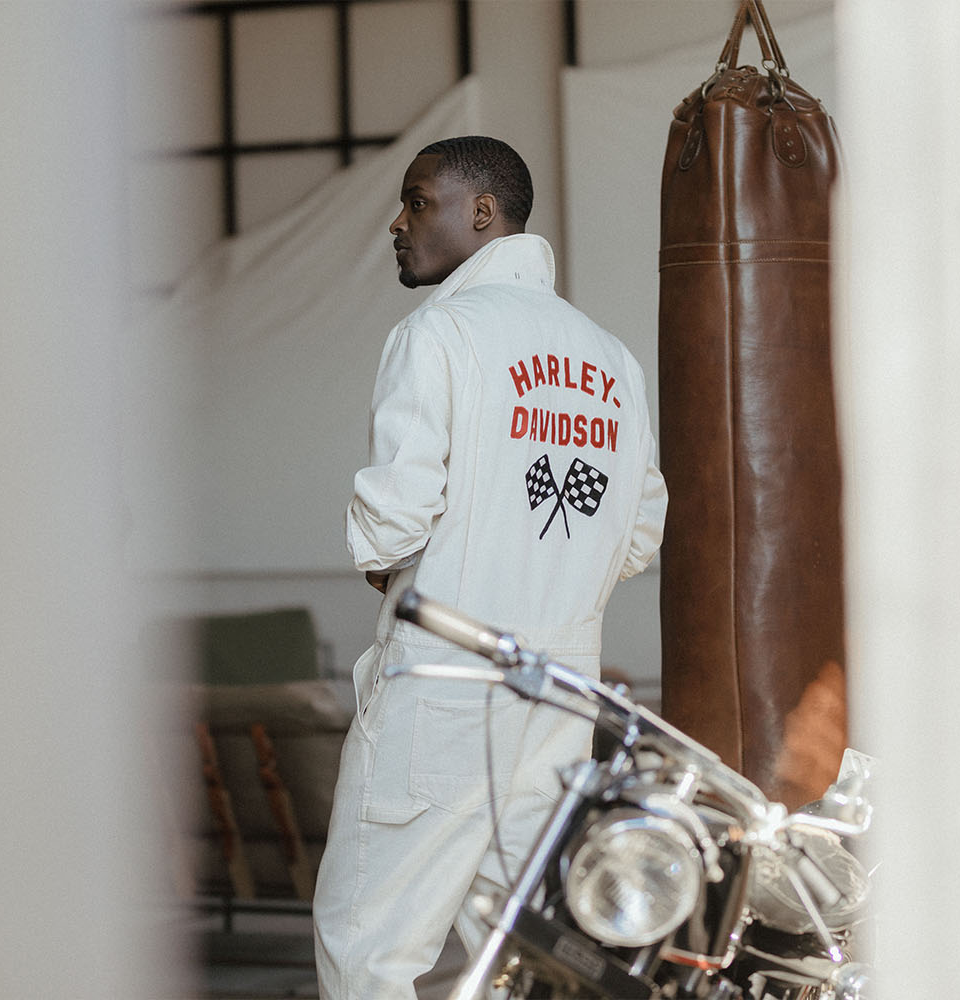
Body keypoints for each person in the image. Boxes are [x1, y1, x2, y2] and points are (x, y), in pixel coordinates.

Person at [312, 135, 667, 999]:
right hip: (555, 701)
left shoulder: (438, 334)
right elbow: (641, 529)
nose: (397, 223)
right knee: (522, 960)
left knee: (371, 945)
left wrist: (389, 561)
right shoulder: (608, 360)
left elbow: (393, 521)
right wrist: (544, 572)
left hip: (445, 691)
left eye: (416, 200)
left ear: (482, 211)